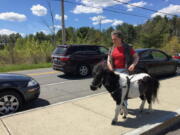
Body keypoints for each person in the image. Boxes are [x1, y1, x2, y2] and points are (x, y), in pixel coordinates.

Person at [107, 30, 139, 107]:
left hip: (125, 71)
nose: (113, 41)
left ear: (120, 38)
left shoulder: (128, 47)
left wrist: (133, 65)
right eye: (112, 39)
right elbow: (108, 60)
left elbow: (136, 57)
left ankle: (124, 105)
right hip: (114, 71)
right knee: (115, 90)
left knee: (124, 89)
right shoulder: (111, 49)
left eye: (115, 39)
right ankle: (120, 104)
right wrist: (110, 67)